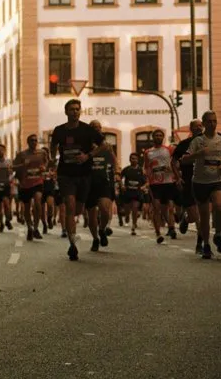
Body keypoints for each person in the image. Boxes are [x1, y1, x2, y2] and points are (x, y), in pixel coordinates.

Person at [49, 99, 102, 261]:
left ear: (80, 111)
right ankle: (72, 243)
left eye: (77, 109)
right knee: (70, 206)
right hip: (66, 174)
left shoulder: (87, 130)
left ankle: (74, 232)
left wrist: (88, 156)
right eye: (71, 109)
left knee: (79, 209)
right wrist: (52, 159)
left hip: (84, 174)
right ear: (66, 112)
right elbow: (53, 145)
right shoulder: (59, 130)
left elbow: (104, 145)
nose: (74, 112)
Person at [183, 111, 221, 258]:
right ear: (203, 124)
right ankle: (206, 245)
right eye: (209, 121)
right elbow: (184, 160)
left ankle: (218, 235)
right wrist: (199, 154)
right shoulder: (197, 141)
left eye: (214, 121)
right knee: (204, 216)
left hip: (217, 180)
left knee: (220, 206)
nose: (212, 124)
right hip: (200, 182)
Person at [142, 128, 179, 244]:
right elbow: (146, 167)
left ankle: (171, 228)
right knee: (157, 208)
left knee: (170, 206)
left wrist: (175, 173)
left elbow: (176, 163)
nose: (158, 137)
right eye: (156, 135)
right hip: (155, 183)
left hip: (169, 181)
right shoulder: (148, 152)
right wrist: (147, 179)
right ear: (153, 137)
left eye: (160, 135)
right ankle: (158, 233)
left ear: (163, 137)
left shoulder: (169, 149)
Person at [86, 120, 117, 252]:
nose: (96, 129)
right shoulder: (85, 145)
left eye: (98, 127)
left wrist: (117, 174)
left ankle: (102, 229)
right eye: (93, 127)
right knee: (91, 214)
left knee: (104, 209)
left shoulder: (107, 146)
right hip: (89, 182)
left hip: (104, 181)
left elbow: (114, 160)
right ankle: (95, 238)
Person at [172, 120, 204, 247]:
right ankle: (185, 218)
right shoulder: (184, 144)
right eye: (196, 127)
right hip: (188, 182)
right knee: (194, 216)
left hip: (204, 181)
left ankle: (200, 243)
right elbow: (173, 161)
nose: (199, 128)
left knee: (201, 215)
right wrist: (178, 177)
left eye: (201, 126)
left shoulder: (207, 142)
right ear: (191, 129)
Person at [14, 134, 49, 241]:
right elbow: (13, 166)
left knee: (38, 202)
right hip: (25, 183)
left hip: (38, 181)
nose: (34, 142)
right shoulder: (22, 154)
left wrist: (44, 167)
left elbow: (47, 161)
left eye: (35, 140)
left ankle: (36, 227)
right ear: (28, 142)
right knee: (27, 207)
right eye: (32, 140)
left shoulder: (42, 153)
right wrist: (23, 165)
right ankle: (29, 227)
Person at [119, 153, 147, 236]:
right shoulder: (126, 169)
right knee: (127, 209)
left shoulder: (141, 170)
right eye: (132, 158)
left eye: (135, 158)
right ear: (129, 160)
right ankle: (127, 215)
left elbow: (147, 181)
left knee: (135, 208)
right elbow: (119, 177)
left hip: (137, 193)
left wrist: (143, 187)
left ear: (137, 160)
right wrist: (122, 185)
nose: (133, 160)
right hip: (128, 192)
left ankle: (134, 226)